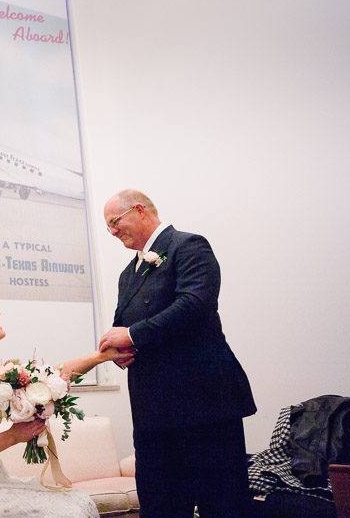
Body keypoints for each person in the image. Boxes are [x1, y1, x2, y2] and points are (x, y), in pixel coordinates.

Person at [99, 189, 257, 518]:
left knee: (223, 505)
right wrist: (118, 349)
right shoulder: (128, 274)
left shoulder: (188, 246)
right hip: (152, 415)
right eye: (108, 228)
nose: (113, 232)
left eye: (115, 222)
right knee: (160, 506)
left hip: (203, 405)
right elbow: (122, 325)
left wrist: (131, 335)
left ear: (139, 210)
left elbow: (195, 304)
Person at [0, 290, 132, 517]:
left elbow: (48, 375)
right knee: (67, 511)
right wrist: (13, 436)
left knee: (77, 502)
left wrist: (100, 357)